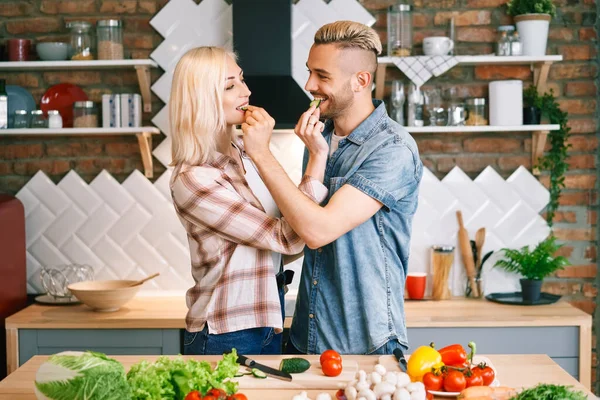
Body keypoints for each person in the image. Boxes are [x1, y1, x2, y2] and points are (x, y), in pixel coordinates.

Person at [241, 21, 423, 355]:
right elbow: (297, 227)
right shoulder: (319, 141)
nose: (310, 85)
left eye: (322, 76)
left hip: (364, 343)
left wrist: (261, 153)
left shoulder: (392, 149)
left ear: (361, 81)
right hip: (307, 335)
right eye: (310, 72)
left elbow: (318, 230)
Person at [169, 46, 329, 355]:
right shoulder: (195, 178)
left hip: (267, 316)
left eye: (241, 80)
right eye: (230, 85)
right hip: (225, 331)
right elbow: (287, 238)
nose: (247, 91)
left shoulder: (245, 152)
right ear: (203, 99)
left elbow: (286, 241)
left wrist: (315, 154)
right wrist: (304, 156)